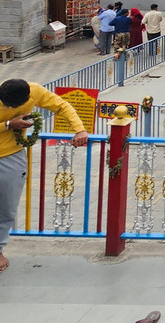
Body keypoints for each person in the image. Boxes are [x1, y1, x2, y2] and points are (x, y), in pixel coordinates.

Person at [1, 78, 90, 274]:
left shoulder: (34, 91)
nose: (10, 108)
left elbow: (62, 106)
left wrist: (80, 130)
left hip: (10, 157)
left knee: (6, 209)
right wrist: (8, 124)